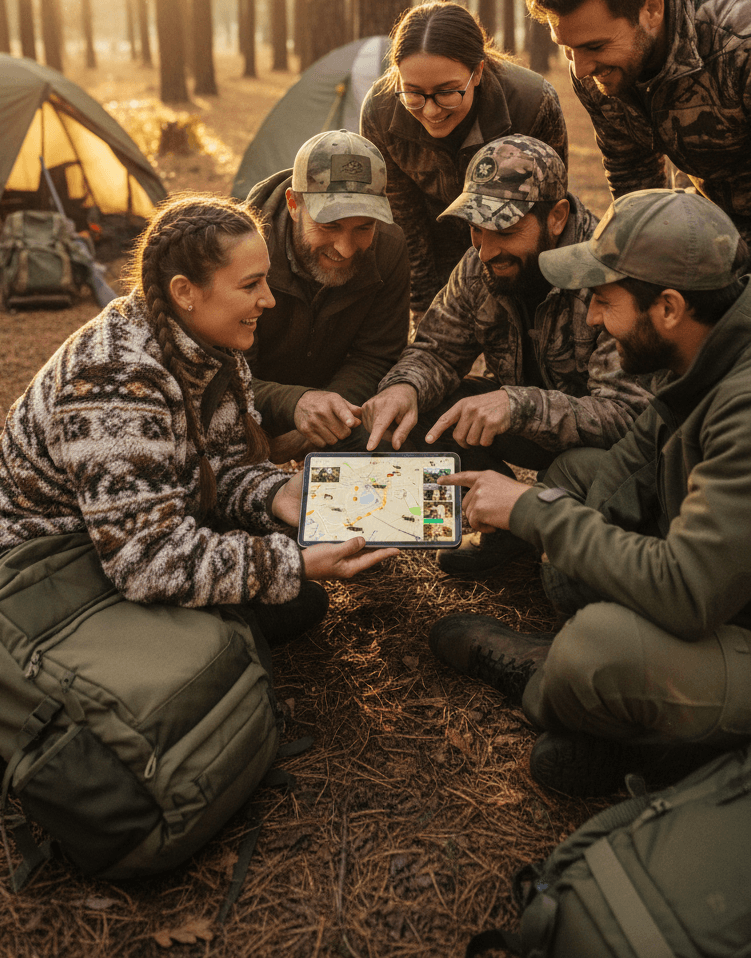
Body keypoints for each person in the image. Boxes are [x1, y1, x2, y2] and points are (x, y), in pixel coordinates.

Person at [429, 189, 751, 798]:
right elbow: (636, 451)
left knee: (595, 649)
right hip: (723, 579)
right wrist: (555, 517)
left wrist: (531, 510)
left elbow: (687, 592)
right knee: (578, 475)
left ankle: (567, 687)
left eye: (603, 302)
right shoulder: (711, 346)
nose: (593, 320)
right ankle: (631, 721)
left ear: (671, 307)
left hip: (722, 608)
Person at [0, 195, 397, 650]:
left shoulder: (213, 346)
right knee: (269, 613)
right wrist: (294, 563)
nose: (269, 299)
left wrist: (278, 494)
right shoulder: (113, 382)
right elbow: (145, 561)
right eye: (251, 284)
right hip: (36, 571)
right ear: (185, 292)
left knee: (294, 605)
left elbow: (220, 468)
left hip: (114, 543)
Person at [361, 137, 649, 579]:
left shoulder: (609, 271)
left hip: (607, 453)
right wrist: (405, 386)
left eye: (505, 231)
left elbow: (627, 418)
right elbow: (436, 348)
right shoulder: (480, 264)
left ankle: (555, 529)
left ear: (557, 217)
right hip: (532, 425)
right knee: (431, 406)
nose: (485, 250)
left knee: (575, 469)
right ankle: (503, 527)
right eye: (476, 229)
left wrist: (517, 405)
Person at [525, 0, 751, 248]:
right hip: (712, 225)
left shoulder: (741, 43)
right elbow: (634, 178)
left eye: (595, 46)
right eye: (567, 47)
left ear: (651, 10)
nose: (582, 69)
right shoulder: (593, 67)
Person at [360, 0, 568, 315]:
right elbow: (404, 221)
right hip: (434, 238)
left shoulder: (532, 104)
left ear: (478, 71)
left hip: (515, 244)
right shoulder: (380, 110)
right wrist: (424, 311)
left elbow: (545, 216)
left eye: (447, 92)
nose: (430, 111)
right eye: (413, 93)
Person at [246, 131, 410, 463]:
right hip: (245, 409)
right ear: (294, 204)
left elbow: (376, 356)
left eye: (363, 227)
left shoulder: (390, 247)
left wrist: (327, 417)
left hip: (342, 406)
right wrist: (294, 404)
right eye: (330, 226)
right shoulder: (243, 250)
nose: (346, 249)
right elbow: (226, 372)